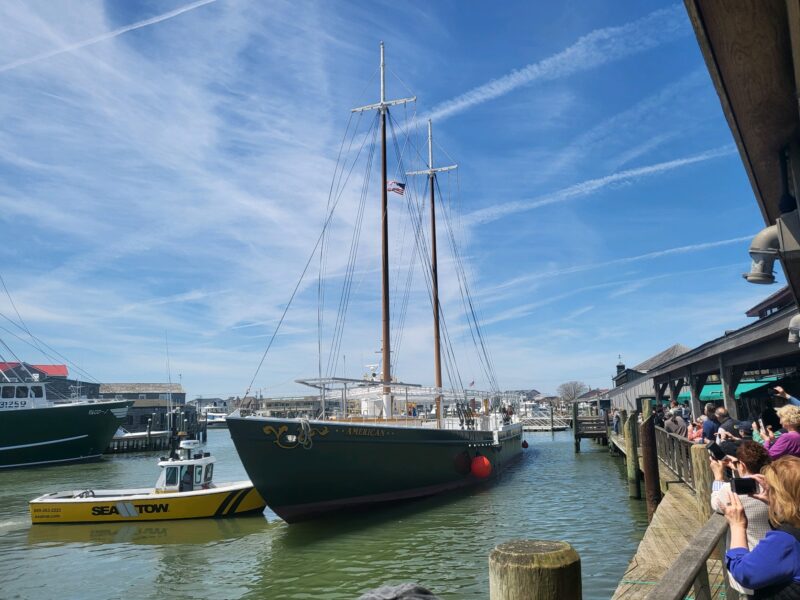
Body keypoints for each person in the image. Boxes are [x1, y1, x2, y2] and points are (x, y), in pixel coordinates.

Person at [722, 456, 800, 597]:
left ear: (782, 496)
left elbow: (745, 574)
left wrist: (738, 526)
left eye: (772, 490)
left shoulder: (786, 541)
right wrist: (776, 506)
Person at [711, 441, 772, 597]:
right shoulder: (774, 485)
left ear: (742, 465)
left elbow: (715, 502)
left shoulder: (729, 490)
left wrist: (718, 476)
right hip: (776, 563)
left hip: (748, 565)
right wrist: (738, 467)